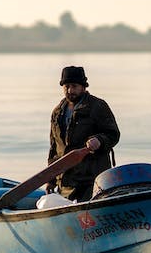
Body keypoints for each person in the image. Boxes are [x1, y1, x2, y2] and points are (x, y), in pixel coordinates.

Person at [47, 65, 120, 201]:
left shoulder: (98, 106)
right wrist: (50, 179)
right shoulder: (57, 112)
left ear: (83, 87)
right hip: (66, 183)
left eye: (74, 86)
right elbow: (54, 150)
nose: (70, 90)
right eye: (66, 86)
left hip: (93, 181)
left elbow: (113, 134)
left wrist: (100, 140)